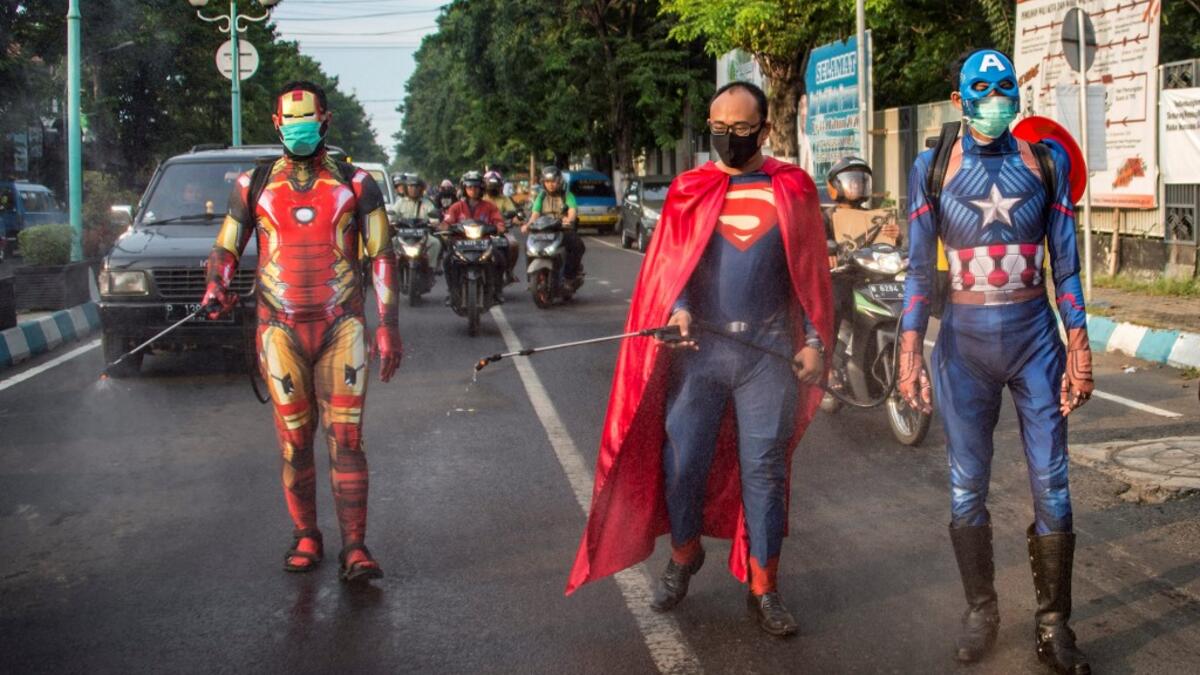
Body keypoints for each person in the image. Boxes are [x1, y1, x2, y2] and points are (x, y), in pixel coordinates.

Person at [566, 81, 832, 638]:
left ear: (763, 128)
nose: (728, 138)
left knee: (764, 471)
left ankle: (765, 586)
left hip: (767, 356)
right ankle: (685, 553)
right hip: (700, 354)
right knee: (682, 464)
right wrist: (679, 310)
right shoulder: (690, 189)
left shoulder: (793, 188)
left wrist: (813, 341)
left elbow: (809, 276)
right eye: (719, 128)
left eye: (740, 129)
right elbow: (671, 271)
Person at [898, 49, 1094, 673]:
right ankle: (981, 611)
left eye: (1005, 86)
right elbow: (916, 272)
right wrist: (909, 354)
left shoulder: (1047, 161)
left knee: (1053, 484)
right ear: (959, 99)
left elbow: (1064, 262)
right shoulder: (931, 168)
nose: (995, 98)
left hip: (1037, 342)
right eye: (981, 89)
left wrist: (1080, 345)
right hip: (964, 351)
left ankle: (1054, 625)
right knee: (965, 487)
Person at [201, 81, 402, 584]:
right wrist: (215, 284)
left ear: (326, 121)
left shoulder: (358, 185)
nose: (300, 129)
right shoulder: (253, 185)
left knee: (347, 438)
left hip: (343, 327)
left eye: (308, 119)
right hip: (279, 330)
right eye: (291, 121)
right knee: (295, 441)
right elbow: (227, 246)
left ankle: (355, 547)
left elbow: (381, 255)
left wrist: (388, 328)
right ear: (276, 125)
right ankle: (306, 535)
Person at [441, 170, 508, 301]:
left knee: (500, 259)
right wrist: (444, 226)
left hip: (484, 243)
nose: (473, 190)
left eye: (476, 187)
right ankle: (452, 291)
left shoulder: (490, 206)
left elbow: (498, 220)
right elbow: (447, 221)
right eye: (469, 187)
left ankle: (497, 291)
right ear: (464, 188)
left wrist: (499, 227)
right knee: (447, 261)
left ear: (481, 188)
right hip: (460, 244)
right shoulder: (456, 207)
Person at [523, 165, 584, 285]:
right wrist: (528, 224)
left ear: (559, 181)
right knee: (528, 247)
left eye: (554, 181)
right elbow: (535, 213)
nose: (551, 185)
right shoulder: (541, 196)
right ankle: (531, 278)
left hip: (561, 229)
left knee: (578, 245)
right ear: (543, 182)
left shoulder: (567, 195)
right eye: (547, 181)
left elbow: (572, 210)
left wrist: (569, 220)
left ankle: (570, 276)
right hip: (543, 230)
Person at [395, 172, 442, 271]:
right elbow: (392, 215)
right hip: (403, 235)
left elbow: (434, 217)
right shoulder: (400, 202)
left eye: (417, 186)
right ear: (406, 188)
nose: (414, 189)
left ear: (421, 188)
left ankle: (430, 268)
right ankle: (393, 269)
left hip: (422, 236)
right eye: (411, 186)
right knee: (389, 243)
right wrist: (391, 221)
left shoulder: (427, 203)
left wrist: (434, 222)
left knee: (436, 243)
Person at [482, 169, 522, 283]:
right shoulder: (480, 198)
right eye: (490, 186)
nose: (492, 189)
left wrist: (516, 220)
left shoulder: (505, 199)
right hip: (482, 231)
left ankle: (509, 270)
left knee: (513, 244)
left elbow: (513, 213)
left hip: (501, 230)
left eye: (495, 186)